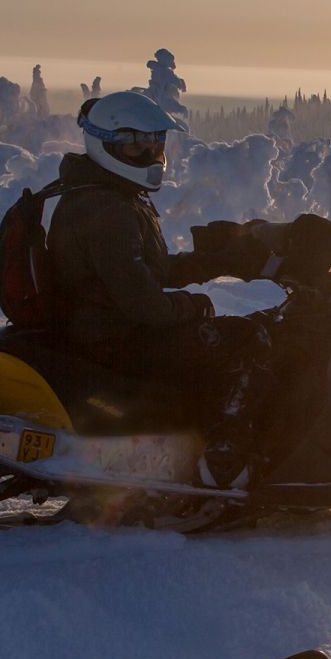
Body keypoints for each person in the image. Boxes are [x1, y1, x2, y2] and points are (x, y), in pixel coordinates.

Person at [47, 91, 277, 490]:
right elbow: (144, 304)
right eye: (137, 145)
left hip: (108, 328)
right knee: (247, 337)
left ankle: (193, 439)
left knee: (221, 335)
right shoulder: (107, 209)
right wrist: (193, 305)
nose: (150, 154)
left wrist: (215, 261)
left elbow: (144, 272)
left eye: (155, 144)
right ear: (106, 144)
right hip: (115, 338)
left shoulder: (111, 195)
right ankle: (223, 459)